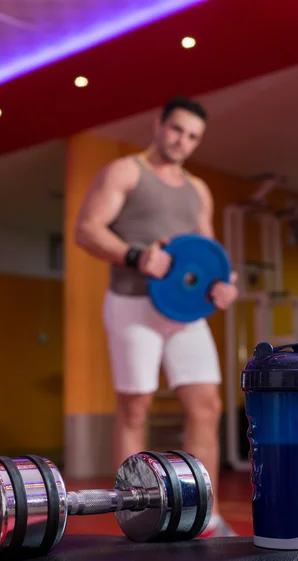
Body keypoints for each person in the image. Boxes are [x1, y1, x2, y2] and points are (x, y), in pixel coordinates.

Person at [74, 95, 239, 537]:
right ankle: (136, 516)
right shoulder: (127, 171)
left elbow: (208, 254)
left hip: (186, 313)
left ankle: (206, 516)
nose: (182, 141)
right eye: (177, 129)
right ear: (159, 124)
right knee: (135, 407)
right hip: (132, 304)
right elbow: (87, 230)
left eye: (193, 136)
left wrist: (222, 284)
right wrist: (134, 255)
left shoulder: (197, 189)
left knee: (207, 406)